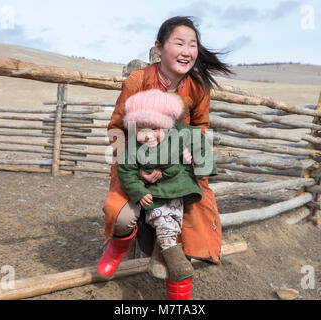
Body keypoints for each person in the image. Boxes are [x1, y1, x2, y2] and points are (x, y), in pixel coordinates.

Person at [98, 16, 233, 300]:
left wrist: (192, 150)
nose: (187, 50)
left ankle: (173, 280)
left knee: (194, 217)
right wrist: (132, 165)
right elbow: (116, 128)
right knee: (119, 212)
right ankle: (117, 245)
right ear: (158, 48)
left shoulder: (197, 87)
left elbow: (201, 126)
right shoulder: (138, 80)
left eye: (192, 45)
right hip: (136, 163)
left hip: (178, 169)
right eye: (179, 43)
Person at [115, 88, 217, 285]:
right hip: (155, 192)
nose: (147, 135)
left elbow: (199, 139)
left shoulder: (179, 133)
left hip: (178, 187)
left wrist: (203, 167)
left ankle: (159, 257)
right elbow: (125, 170)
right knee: (164, 220)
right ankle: (177, 263)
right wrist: (139, 190)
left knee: (174, 220)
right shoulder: (133, 146)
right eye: (141, 130)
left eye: (154, 129)